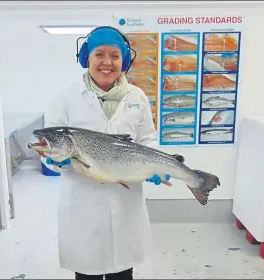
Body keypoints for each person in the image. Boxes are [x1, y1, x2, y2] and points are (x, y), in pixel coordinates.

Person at [43, 26, 178, 280]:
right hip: (83, 205)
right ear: (87, 58)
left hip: (125, 201)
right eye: (99, 55)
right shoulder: (65, 98)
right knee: (87, 273)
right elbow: (49, 145)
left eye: (115, 56)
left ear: (124, 60)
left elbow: (147, 138)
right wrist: (53, 161)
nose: (107, 62)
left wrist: (154, 166)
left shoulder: (136, 96)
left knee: (122, 272)